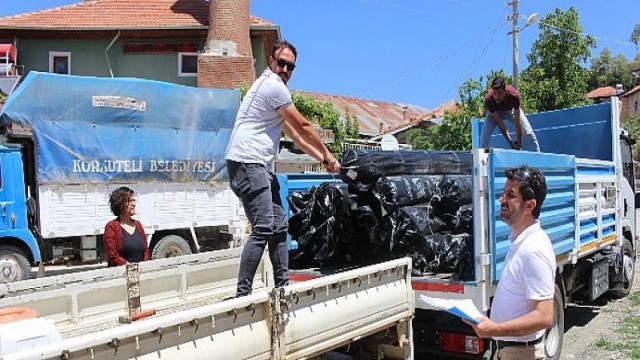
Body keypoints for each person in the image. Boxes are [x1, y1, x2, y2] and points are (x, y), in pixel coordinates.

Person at [225, 39, 341, 297]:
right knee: (265, 226)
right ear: (271, 62)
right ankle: (242, 295)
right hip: (248, 163)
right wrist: (329, 155)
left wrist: (325, 162)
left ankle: (282, 288)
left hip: (259, 166)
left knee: (279, 226)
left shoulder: (273, 94)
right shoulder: (273, 87)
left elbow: (297, 139)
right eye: (282, 63)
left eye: (291, 66)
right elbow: (305, 127)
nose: (285, 69)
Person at [466, 165, 555, 360]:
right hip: (509, 350)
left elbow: (544, 316)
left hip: (521, 353)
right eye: (503, 193)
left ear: (529, 206)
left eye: (510, 195)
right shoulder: (518, 241)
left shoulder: (534, 250)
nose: (501, 199)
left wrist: (494, 328)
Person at [480, 77, 540, 152]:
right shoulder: (489, 99)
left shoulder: (514, 95)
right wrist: (511, 143)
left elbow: (517, 123)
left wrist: (519, 144)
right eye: (495, 93)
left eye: (499, 93)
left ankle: (538, 157)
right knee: (483, 139)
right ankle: (481, 162)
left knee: (529, 133)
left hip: (510, 110)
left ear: (505, 91)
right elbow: (501, 124)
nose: (497, 97)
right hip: (496, 112)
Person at [103, 186, 150, 267]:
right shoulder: (111, 227)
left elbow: (145, 251)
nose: (134, 204)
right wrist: (131, 268)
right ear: (120, 203)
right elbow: (113, 256)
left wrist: (144, 266)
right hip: (121, 276)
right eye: (130, 201)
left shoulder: (138, 225)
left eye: (134, 201)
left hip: (141, 274)